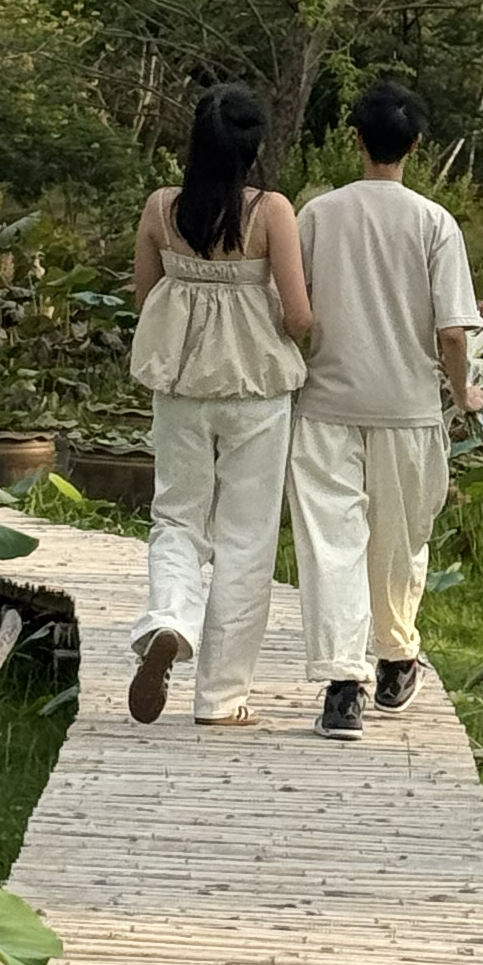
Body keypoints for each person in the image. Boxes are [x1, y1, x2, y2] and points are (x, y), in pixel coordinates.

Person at [289, 78, 479, 737]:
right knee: (400, 542)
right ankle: (397, 659)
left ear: (355, 140)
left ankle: (344, 687)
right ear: (416, 146)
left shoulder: (317, 214)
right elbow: (454, 332)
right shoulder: (434, 223)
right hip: (406, 407)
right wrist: (464, 391)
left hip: (324, 404)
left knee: (332, 544)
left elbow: (295, 312)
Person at [124, 83, 312, 726]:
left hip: (180, 387)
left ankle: (170, 619)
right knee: (246, 538)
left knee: (176, 516)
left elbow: (146, 295)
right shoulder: (272, 211)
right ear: (253, 147)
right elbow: (297, 315)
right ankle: (221, 697)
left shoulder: (161, 209)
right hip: (255, 389)